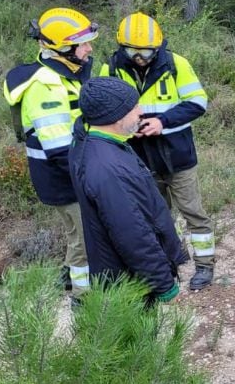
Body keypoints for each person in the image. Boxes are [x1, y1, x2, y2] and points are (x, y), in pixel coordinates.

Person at [99, 12, 217, 291]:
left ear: (158, 46)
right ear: (121, 46)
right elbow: (102, 109)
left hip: (178, 155)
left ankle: (205, 265)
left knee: (193, 211)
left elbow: (198, 102)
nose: (140, 57)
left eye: (147, 51)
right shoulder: (112, 68)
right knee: (155, 215)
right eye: (133, 51)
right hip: (138, 158)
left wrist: (162, 122)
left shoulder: (176, 64)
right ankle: (167, 263)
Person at [3, 7, 97, 295]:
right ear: (63, 49)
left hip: (70, 171)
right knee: (84, 238)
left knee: (76, 232)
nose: (89, 49)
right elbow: (58, 149)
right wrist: (95, 177)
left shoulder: (68, 72)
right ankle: (83, 298)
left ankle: (68, 276)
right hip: (63, 176)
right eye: (83, 44)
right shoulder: (45, 84)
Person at [69, 77, 183, 303]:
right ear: (114, 116)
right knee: (142, 336)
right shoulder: (107, 168)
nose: (141, 111)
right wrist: (163, 284)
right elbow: (133, 234)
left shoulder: (95, 142)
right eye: (133, 107)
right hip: (130, 285)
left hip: (122, 275)